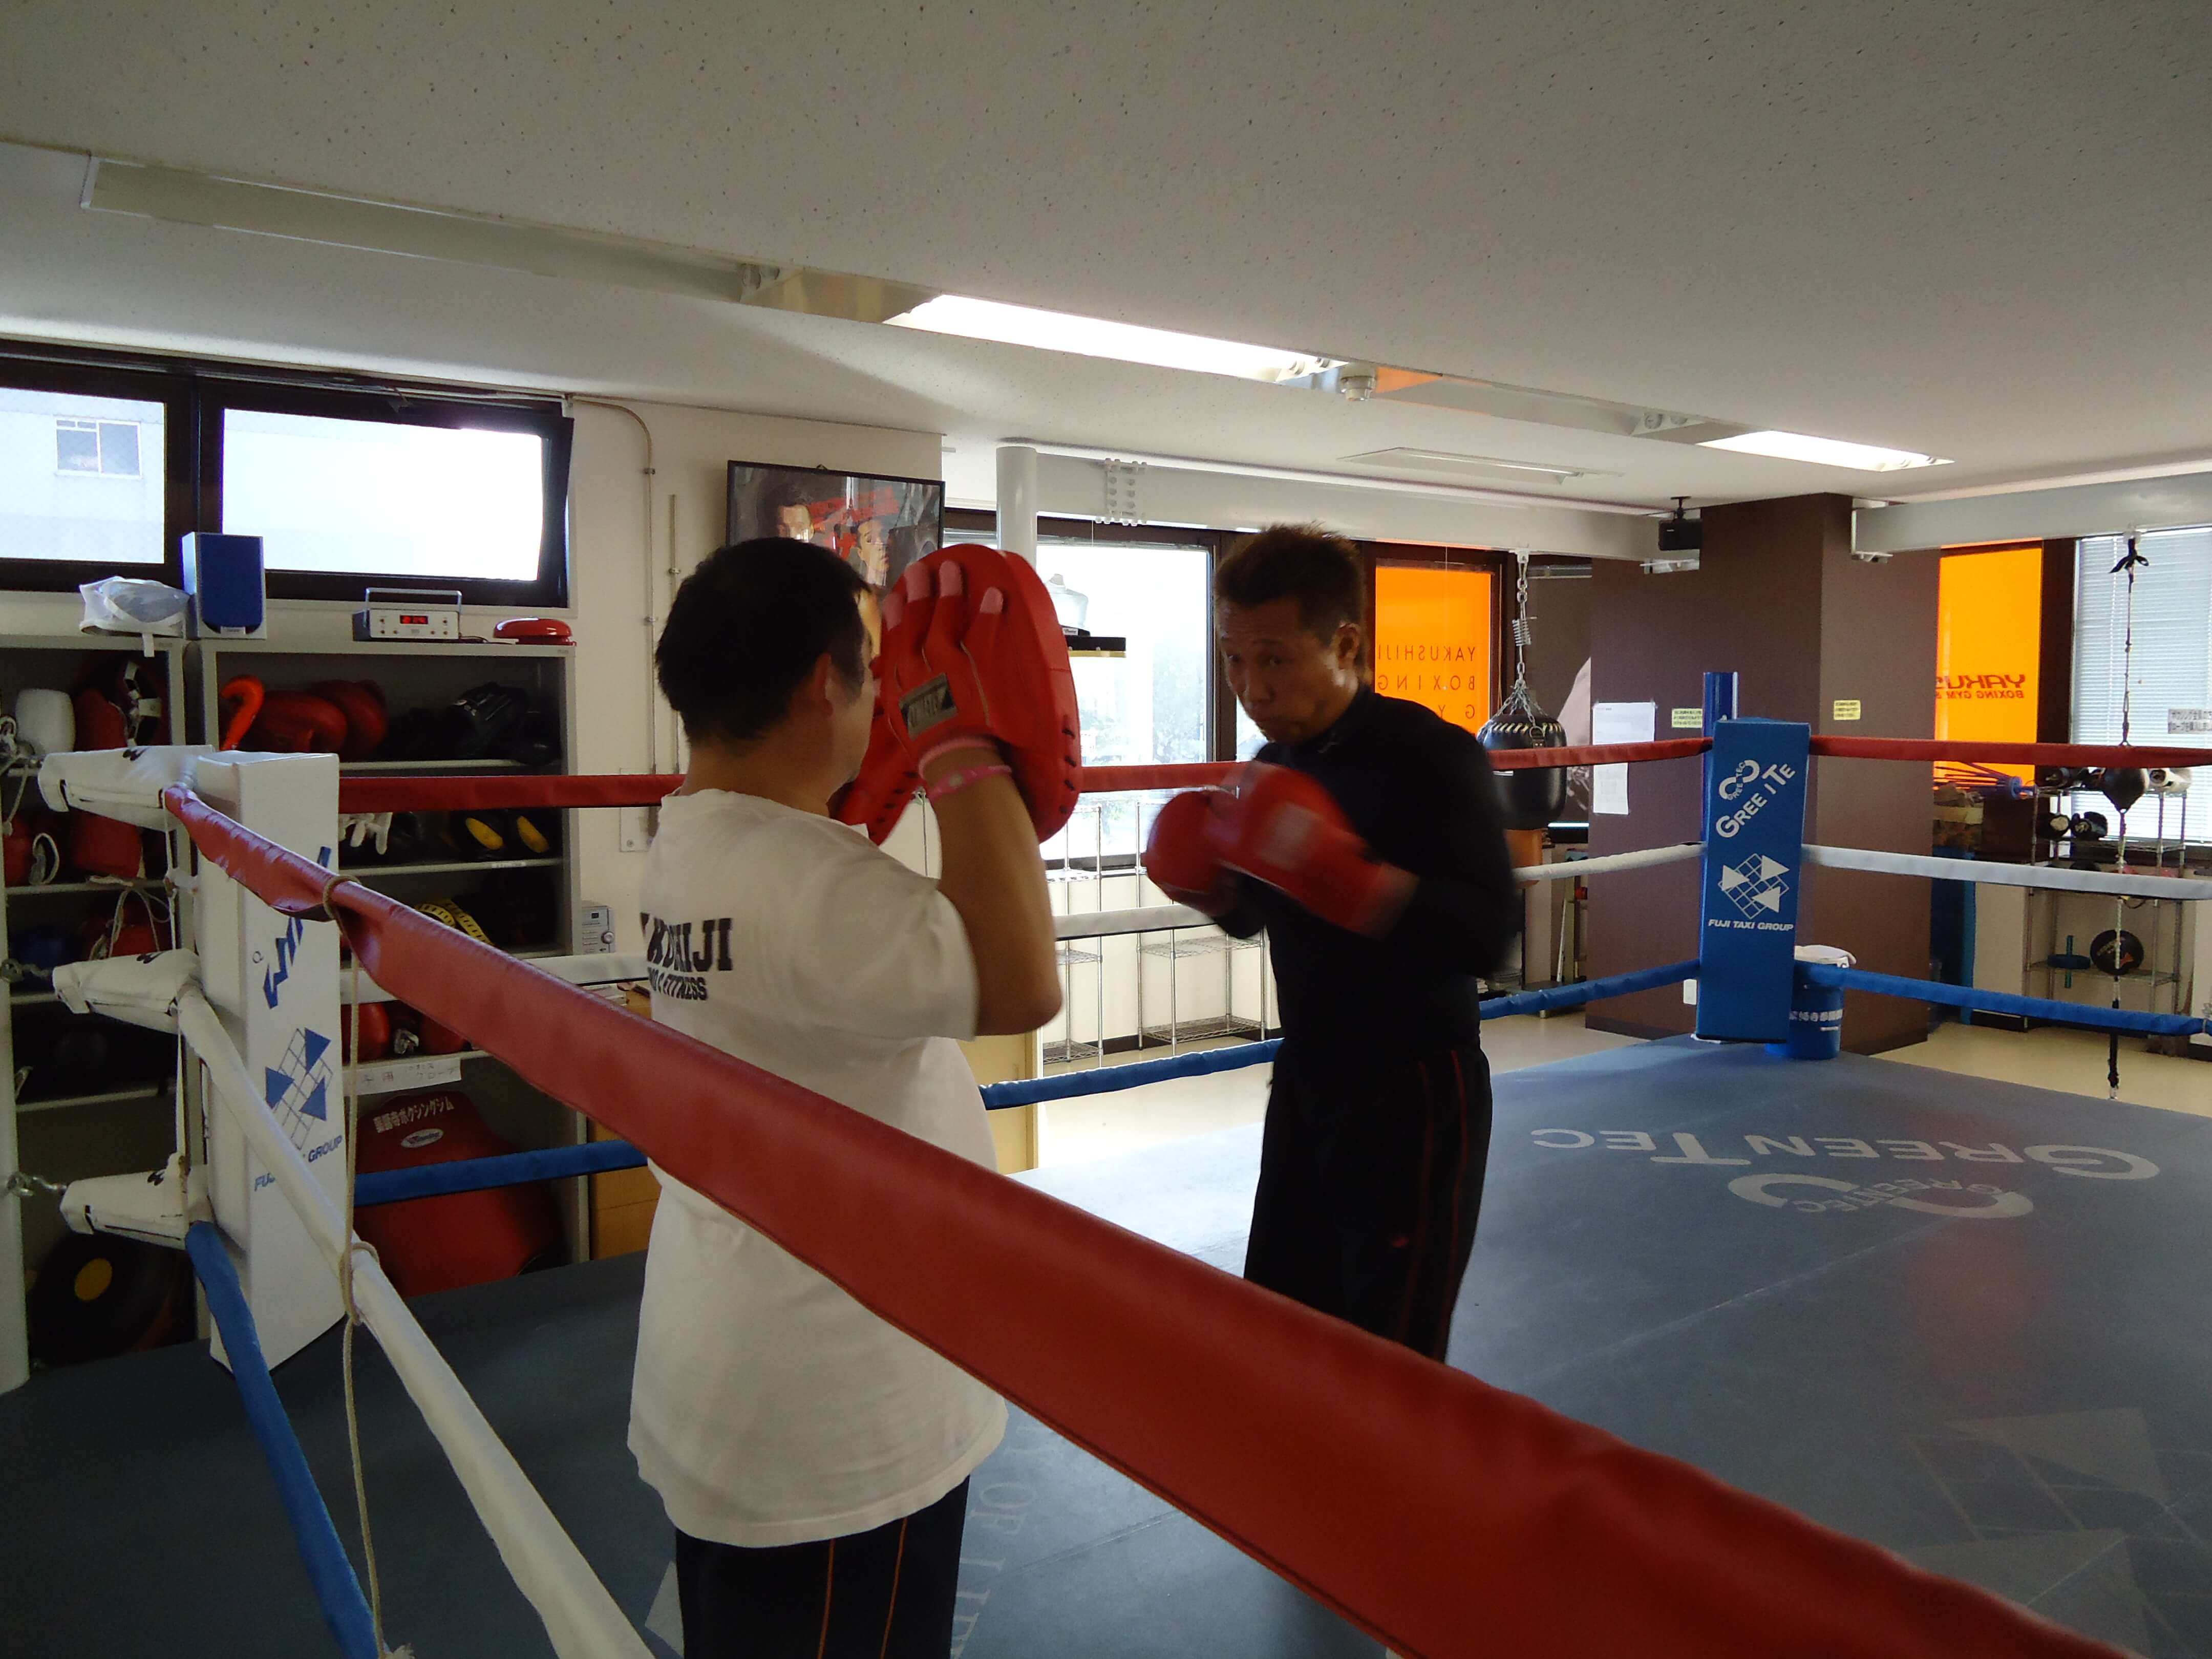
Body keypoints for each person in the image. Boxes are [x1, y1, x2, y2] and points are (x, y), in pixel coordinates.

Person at [632, 538, 1061, 1658]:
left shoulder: (689, 841)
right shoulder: (811, 888)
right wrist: (957, 739)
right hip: (837, 1420)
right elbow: (1024, 981)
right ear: (825, 684)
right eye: (872, 676)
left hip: (746, 1365)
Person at [1143, 525, 1519, 1361]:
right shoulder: (1273, 765)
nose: (1252, 687)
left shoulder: (1433, 756)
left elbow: (1490, 933)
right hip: (1310, 1079)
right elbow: (1258, 916)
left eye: (1275, 659)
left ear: (1345, 644)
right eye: (1234, 660)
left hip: (1417, 1093)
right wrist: (1210, 888)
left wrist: (1358, 882)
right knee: (1284, 1331)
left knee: (1391, 1356)